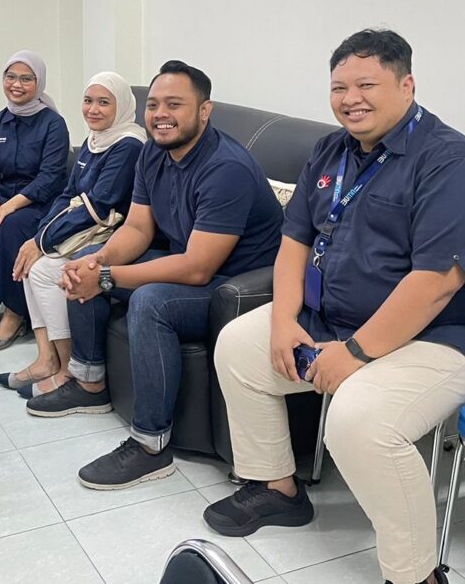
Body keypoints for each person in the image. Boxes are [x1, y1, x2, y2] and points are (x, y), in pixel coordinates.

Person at [205, 30, 465, 584]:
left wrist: (356, 353)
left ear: (407, 85)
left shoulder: (453, 164)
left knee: (358, 420)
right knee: (239, 347)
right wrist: (283, 320)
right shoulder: (332, 150)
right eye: (339, 87)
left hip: (445, 337)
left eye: (367, 85)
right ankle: (277, 487)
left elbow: (436, 284)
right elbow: (295, 240)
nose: (351, 99)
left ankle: (416, 575)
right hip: (339, 321)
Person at [26, 60, 284, 490]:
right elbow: (138, 228)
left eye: (175, 105)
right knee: (87, 261)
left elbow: (198, 268)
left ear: (204, 111)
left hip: (237, 288)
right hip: (189, 264)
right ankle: (89, 383)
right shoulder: (153, 152)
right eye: (154, 105)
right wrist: (98, 262)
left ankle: (150, 447)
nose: (161, 114)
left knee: (149, 301)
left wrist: (107, 278)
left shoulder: (226, 168)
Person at [0, 72, 145, 394]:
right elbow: (68, 193)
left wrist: (42, 242)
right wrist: (38, 237)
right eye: (88, 100)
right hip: (85, 229)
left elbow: (99, 205)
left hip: (112, 236)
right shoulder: (96, 139)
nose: (93, 109)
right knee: (30, 263)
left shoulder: (128, 145)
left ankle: (66, 370)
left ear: (121, 106)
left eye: (103, 103)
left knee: (44, 270)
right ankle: (46, 359)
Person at [0, 51, 70, 352]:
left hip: (40, 203)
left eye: (26, 79)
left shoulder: (53, 124)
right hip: (2, 199)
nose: (16, 85)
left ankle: (14, 314)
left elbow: (49, 177)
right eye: (11, 77)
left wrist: (8, 207)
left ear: (39, 83)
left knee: (10, 227)